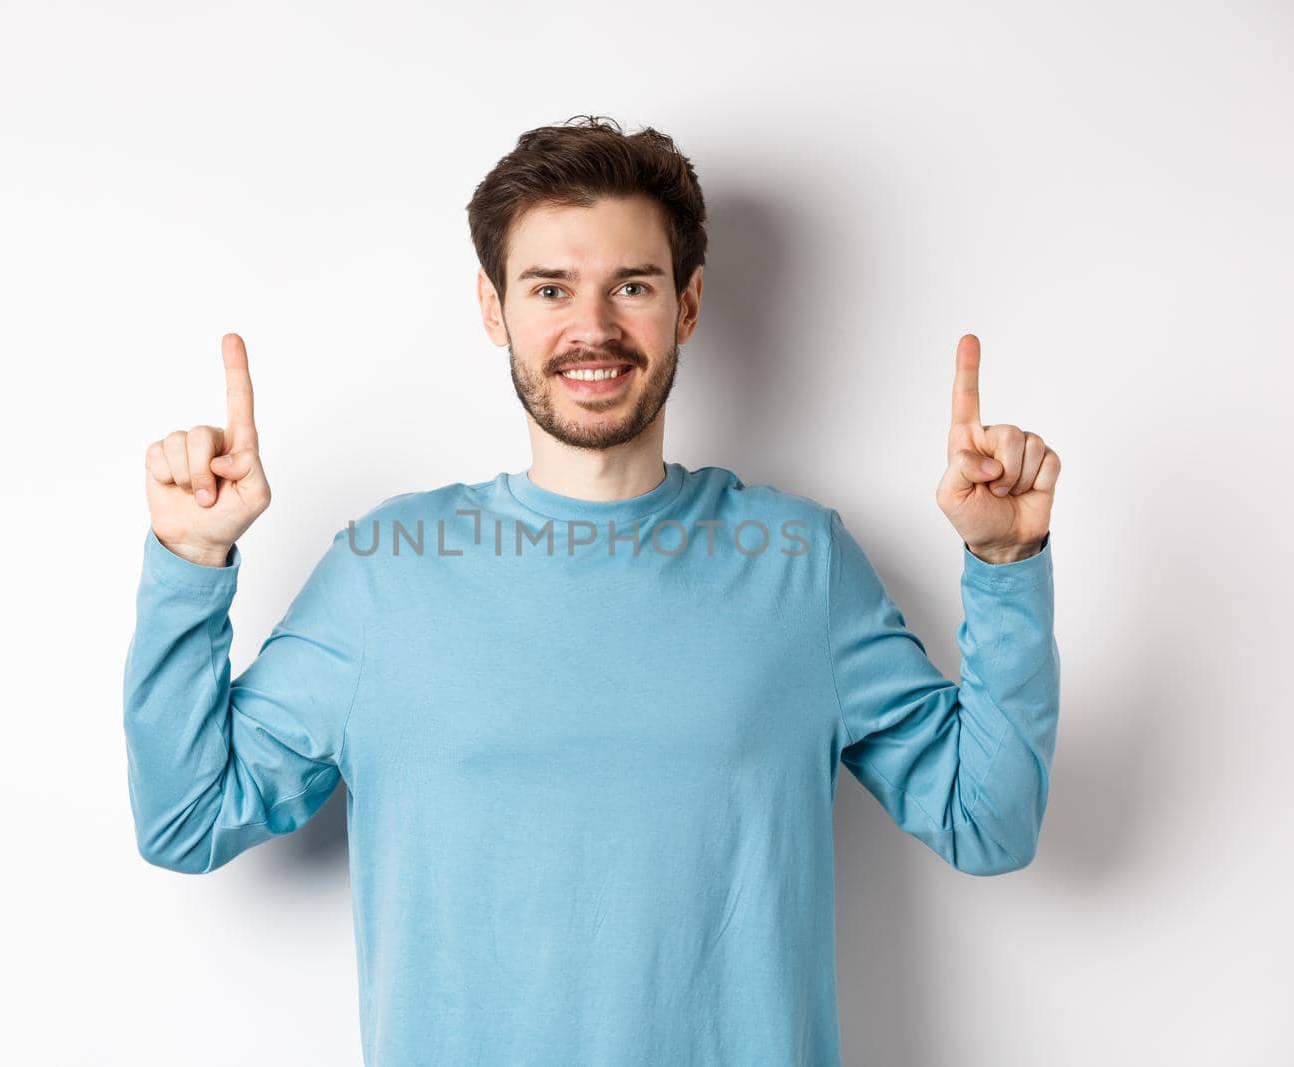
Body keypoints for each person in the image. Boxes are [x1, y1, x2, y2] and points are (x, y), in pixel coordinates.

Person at [123, 115, 1062, 1066]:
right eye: (550, 288)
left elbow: (987, 822)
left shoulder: (800, 565)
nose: (593, 328)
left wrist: (1007, 569)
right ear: (494, 310)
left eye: (633, 286)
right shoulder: (386, 570)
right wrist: (188, 563)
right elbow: (188, 817)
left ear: (688, 304)